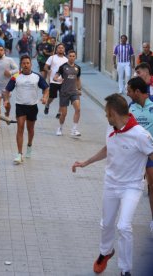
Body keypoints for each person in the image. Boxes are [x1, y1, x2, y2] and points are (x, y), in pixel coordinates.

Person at [72, 93, 153, 276]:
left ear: (114, 113)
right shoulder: (111, 129)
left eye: (107, 113)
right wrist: (86, 162)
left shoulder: (141, 135)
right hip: (111, 184)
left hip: (131, 187)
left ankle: (125, 270)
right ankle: (106, 251)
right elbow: (108, 148)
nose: (106, 117)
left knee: (124, 226)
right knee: (106, 224)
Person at [5, 55, 49, 164]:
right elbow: (7, 90)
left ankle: (29, 145)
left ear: (31, 64)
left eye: (27, 63)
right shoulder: (16, 76)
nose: (25, 65)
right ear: (21, 65)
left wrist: (44, 97)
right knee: (20, 128)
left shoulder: (37, 77)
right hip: (20, 106)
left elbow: (46, 88)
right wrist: (6, 100)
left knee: (30, 129)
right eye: (23, 63)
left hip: (32, 107)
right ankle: (19, 154)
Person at [126, 77, 153, 235]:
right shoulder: (131, 107)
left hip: (150, 154)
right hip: (134, 155)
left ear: (137, 91)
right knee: (131, 187)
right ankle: (125, 219)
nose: (127, 93)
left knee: (152, 187)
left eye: (129, 91)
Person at [53, 50, 82, 137]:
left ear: (75, 57)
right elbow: (55, 77)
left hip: (74, 92)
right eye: (70, 56)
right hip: (64, 92)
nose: (72, 58)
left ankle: (74, 129)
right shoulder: (63, 67)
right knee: (64, 114)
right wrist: (58, 79)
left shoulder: (78, 68)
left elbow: (78, 79)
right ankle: (60, 128)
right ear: (67, 56)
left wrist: (79, 89)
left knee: (78, 109)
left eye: (73, 56)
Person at [44, 43, 68, 117]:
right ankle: (47, 105)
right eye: (59, 48)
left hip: (62, 81)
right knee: (52, 97)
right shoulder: (52, 57)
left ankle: (59, 112)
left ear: (64, 50)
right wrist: (48, 71)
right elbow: (45, 67)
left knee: (62, 97)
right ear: (56, 49)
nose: (60, 49)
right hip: (53, 81)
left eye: (62, 48)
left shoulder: (66, 60)